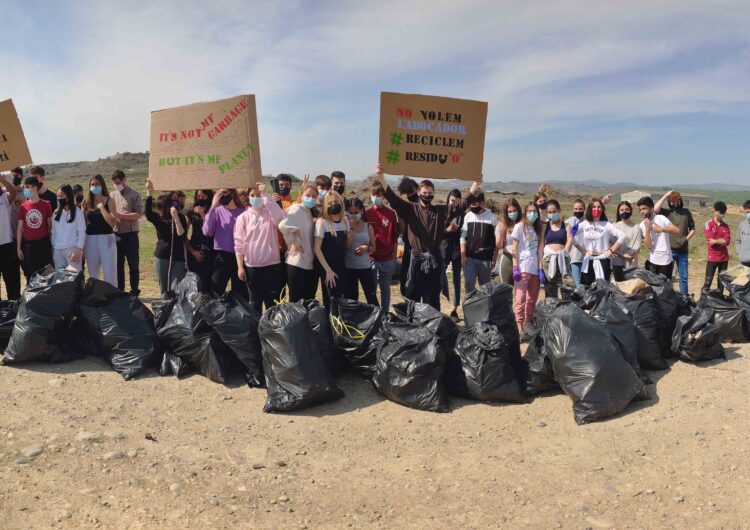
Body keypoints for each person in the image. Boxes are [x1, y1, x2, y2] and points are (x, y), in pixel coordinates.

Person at [374, 164, 478, 309]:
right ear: (419, 192)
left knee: (433, 299)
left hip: (434, 261)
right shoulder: (410, 209)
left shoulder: (440, 211)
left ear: (433, 193)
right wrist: (381, 177)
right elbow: (392, 198)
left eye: (430, 192)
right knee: (414, 298)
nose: (427, 195)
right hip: (417, 262)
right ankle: (416, 329)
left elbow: (461, 205)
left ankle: (433, 328)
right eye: (424, 192)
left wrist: (475, 185)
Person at [235, 183, 285, 313]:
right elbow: (238, 244)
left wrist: (266, 196)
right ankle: (255, 331)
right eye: (253, 195)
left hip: (272, 264)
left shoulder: (269, 213)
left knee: (272, 302)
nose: (256, 198)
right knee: (255, 302)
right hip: (252, 266)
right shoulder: (243, 218)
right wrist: (240, 267)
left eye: (258, 195)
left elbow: (280, 217)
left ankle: (272, 331)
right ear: (248, 197)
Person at [145, 181, 188, 296]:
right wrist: (149, 191)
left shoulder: (181, 217)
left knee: (176, 289)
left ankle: (174, 312)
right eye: (173, 198)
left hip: (178, 259)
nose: (176, 200)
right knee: (164, 290)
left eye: (176, 198)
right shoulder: (159, 218)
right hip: (162, 257)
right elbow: (148, 213)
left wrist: (176, 217)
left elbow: (182, 235)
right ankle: (164, 312)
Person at [363, 181, 399, 313]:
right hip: (371, 258)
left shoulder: (391, 214)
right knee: (371, 290)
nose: (376, 197)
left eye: (378, 195)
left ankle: (384, 314)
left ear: (383, 196)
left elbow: (395, 238)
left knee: (385, 290)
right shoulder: (366, 214)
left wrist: (394, 258)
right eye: (373, 194)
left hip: (387, 259)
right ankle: (373, 313)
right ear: (370, 195)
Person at [571, 199, 626, 285]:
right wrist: (581, 250)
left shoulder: (606, 224)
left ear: (602, 209)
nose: (597, 209)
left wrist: (610, 251)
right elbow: (571, 235)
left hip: (603, 260)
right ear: (590, 209)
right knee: (585, 289)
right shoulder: (585, 223)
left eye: (599, 207)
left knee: (603, 290)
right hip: (588, 260)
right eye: (594, 207)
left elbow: (622, 236)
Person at [279, 184, 318, 302]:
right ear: (301, 195)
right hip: (297, 262)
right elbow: (283, 225)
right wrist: (294, 242)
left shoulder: (309, 211)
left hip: (309, 261)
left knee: (308, 299)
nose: (311, 198)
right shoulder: (296, 209)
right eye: (308, 195)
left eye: (314, 196)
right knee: (296, 300)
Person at [203, 188, 245, 296]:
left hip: (240, 257)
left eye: (224, 193)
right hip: (222, 256)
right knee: (216, 290)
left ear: (232, 194)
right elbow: (207, 231)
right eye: (219, 194)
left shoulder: (243, 212)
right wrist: (212, 207)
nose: (222, 196)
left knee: (240, 292)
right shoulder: (217, 211)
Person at [511, 202, 544, 337]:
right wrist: (515, 267)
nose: (532, 214)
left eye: (535, 211)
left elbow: (540, 250)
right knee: (520, 298)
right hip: (523, 266)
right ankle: (519, 328)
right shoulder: (519, 227)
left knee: (532, 299)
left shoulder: (538, 228)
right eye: (529, 211)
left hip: (534, 268)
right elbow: (514, 249)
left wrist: (540, 269)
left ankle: (527, 323)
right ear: (525, 212)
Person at [314, 191, 351, 309]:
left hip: (341, 264)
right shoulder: (322, 222)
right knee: (331, 300)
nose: (333, 204)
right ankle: (330, 325)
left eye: (335, 202)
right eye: (330, 203)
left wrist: (350, 233)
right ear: (325, 206)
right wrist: (328, 270)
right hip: (328, 267)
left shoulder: (345, 220)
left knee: (341, 298)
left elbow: (347, 245)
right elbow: (317, 249)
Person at [654, 190, 695, 294]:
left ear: (680, 201)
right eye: (672, 202)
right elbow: (655, 209)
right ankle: (670, 298)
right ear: (669, 202)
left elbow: (692, 228)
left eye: (677, 201)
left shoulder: (686, 212)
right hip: (669, 251)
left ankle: (684, 298)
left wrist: (686, 239)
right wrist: (666, 195)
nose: (675, 204)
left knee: (683, 278)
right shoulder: (666, 212)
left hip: (683, 250)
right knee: (668, 278)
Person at [111, 170, 143, 295]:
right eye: (114, 184)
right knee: (118, 265)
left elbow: (139, 214)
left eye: (118, 183)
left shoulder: (135, 195)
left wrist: (120, 215)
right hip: (116, 234)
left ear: (124, 180)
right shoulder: (112, 195)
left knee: (133, 265)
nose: (117, 185)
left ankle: (134, 291)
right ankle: (120, 290)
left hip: (131, 235)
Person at [83, 175, 118, 286]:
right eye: (92, 184)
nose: (94, 186)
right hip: (90, 239)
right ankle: (95, 296)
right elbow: (81, 223)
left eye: (97, 184)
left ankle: (111, 297)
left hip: (106, 239)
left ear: (102, 185)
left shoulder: (109, 201)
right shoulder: (86, 203)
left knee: (109, 270)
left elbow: (113, 223)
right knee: (93, 272)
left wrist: (102, 208)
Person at [461, 191, 498, 296]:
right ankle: (470, 309)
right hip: (470, 259)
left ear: (482, 203)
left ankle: (484, 310)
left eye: (475, 204)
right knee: (468, 285)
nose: (473, 207)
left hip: (485, 260)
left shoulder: (492, 218)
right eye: (471, 204)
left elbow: (497, 241)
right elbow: (463, 237)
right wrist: (463, 255)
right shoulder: (468, 216)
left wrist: (494, 257)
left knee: (485, 288)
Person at [16, 176, 53, 279]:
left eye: (27, 187)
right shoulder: (23, 206)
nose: (25, 190)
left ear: (35, 187)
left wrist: (52, 246)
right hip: (29, 246)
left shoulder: (46, 205)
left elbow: (50, 228)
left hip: (43, 244)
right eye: (25, 187)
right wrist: (19, 248)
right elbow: (19, 229)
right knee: (31, 275)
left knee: (47, 274)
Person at [636, 196, 680, 280]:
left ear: (652, 208)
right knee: (652, 288)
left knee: (665, 288)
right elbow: (649, 246)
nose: (642, 212)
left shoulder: (661, 218)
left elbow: (676, 230)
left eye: (644, 209)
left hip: (665, 260)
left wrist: (662, 229)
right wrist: (647, 229)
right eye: (640, 210)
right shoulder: (642, 225)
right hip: (652, 261)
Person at [344, 198, 378, 306]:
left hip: (365, 267)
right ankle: (352, 321)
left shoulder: (368, 227)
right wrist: (349, 228)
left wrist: (366, 248)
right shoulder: (345, 227)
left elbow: (374, 248)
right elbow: (344, 246)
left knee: (371, 296)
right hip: (349, 267)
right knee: (351, 298)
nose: (353, 215)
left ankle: (377, 320)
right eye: (351, 212)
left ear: (362, 211)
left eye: (356, 212)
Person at [541, 199, 574, 297]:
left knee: (567, 289)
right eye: (549, 212)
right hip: (548, 261)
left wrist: (564, 253)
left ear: (559, 210)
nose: (551, 214)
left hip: (563, 260)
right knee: (550, 291)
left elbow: (569, 243)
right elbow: (542, 244)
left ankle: (566, 309)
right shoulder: (545, 226)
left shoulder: (567, 226)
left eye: (554, 212)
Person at [50, 185, 86, 271]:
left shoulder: (77, 212)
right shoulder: (56, 213)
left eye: (61, 195)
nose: (59, 198)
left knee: (74, 280)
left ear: (68, 196)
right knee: (60, 280)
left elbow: (82, 232)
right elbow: (54, 232)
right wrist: (54, 249)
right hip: (58, 250)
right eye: (58, 196)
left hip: (72, 249)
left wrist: (79, 249)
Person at [186, 189, 215, 292]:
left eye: (203, 196)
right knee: (194, 283)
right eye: (198, 196)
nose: (200, 199)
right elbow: (184, 234)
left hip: (210, 251)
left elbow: (211, 232)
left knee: (207, 283)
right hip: (194, 249)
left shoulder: (213, 210)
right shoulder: (191, 211)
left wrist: (203, 215)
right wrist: (192, 251)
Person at [442, 189, 464, 320]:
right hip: (444, 249)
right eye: (452, 199)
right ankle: (436, 304)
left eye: (457, 199)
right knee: (439, 277)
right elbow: (437, 232)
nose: (454, 201)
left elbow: (465, 233)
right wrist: (447, 230)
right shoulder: (443, 212)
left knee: (456, 279)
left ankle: (455, 308)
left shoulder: (463, 214)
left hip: (457, 250)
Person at [396, 177, 419, 296]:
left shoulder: (423, 206)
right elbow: (402, 229)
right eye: (408, 193)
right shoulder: (403, 208)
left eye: (412, 192)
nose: (411, 195)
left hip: (421, 248)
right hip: (408, 247)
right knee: (406, 278)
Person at [702, 201, 731, 294]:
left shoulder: (726, 226)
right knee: (708, 282)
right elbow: (711, 242)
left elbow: (727, 242)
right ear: (715, 211)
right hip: (713, 258)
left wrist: (716, 241)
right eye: (720, 212)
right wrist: (720, 241)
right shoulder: (708, 224)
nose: (721, 215)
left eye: (723, 213)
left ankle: (719, 301)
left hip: (724, 258)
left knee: (721, 282)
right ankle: (703, 301)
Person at [0, 173, 21, 299]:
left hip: (7, 246)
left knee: (12, 281)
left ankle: (14, 308)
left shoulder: (4, 198)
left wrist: (2, 179)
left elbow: (13, 192)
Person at [610, 201, 642, 282]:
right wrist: (623, 255)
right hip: (617, 262)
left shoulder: (636, 227)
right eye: (622, 210)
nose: (624, 212)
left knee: (631, 287)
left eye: (627, 209)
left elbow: (637, 245)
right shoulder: (614, 226)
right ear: (618, 212)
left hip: (632, 261)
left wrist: (630, 254)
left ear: (631, 211)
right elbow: (611, 245)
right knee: (619, 286)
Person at [495, 198, 522, 285]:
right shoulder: (502, 225)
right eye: (510, 211)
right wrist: (502, 233)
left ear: (518, 210)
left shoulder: (523, 224)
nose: (512, 213)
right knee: (506, 289)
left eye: (514, 210)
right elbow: (499, 245)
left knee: (520, 291)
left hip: (521, 259)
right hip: (507, 258)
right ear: (506, 212)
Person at [565, 199, 586, 286]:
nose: (578, 211)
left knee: (586, 284)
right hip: (574, 257)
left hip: (586, 258)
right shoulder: (568, 222)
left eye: (580, 209)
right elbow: (569, 239)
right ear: (573, 209)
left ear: (584, 209)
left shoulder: (587, 221)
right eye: (576, 209)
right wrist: (581, 249)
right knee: (578, 284)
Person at [737, 200, 750, 268]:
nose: (748, 214)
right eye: (747, 212)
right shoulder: (742, 224)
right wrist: (740, 253)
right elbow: (738, 241)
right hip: (744, 261)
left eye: (749, 212)